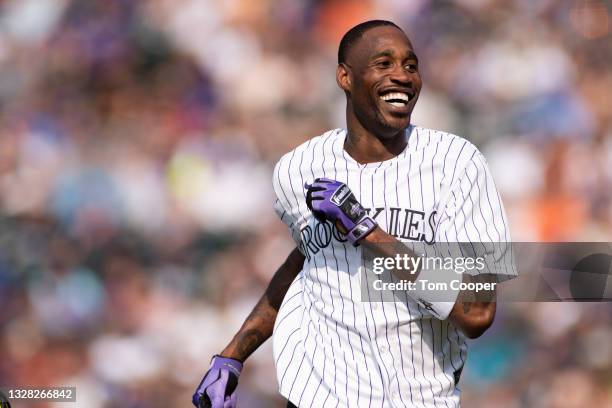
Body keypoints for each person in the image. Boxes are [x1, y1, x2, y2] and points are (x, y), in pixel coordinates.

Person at [193, 19, 513, 408]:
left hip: (418, 398)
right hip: (318, 396)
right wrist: (233, 354)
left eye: (411, 66)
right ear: (345, 77)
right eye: (384, 64)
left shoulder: (457, 163)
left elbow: (477, 311)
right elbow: (309, 260)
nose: (402, 75)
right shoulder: (298, 169)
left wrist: (369, 232)